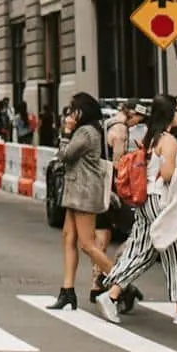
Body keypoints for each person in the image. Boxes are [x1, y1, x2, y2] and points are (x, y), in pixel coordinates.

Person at [97, 95, 177, 325]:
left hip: (146, 201)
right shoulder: (169, 141)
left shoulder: (151, 138)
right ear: (168, 114)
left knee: (142, 253)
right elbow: (167, 175)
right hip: (161, 202)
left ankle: (112, 295)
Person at [50, 92, 112, 309]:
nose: (70, 114)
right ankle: (67, 291)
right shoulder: (87, 130)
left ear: (82, 111)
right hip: (76, 192)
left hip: (84, 194)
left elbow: (65, 155)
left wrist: (66, 132)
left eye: (73, 109)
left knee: (86, 244)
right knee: (68, 237)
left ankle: (121, 280)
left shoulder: (86, 132)